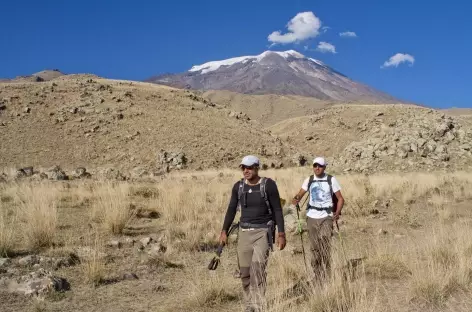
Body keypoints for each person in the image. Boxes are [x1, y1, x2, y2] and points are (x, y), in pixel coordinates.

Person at [220, 155, 286, 312]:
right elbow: (231, 209)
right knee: (245, 273)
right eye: (243, 167)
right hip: (244, 233)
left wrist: (281, 233)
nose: (246, 170)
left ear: (257, 167)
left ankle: (257, 304)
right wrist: (224, 231)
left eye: (249, 167)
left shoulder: (268, 185)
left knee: (258, 270)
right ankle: (250, 303)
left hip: (263, 232)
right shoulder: (238, 187)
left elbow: (277, 209)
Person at [291, 156, 344, 281]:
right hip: (311, 217)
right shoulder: (309, 180)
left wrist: (337, 213)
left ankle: (327, 273)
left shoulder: (331, 179)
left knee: (324, 241)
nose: (317, 168)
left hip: (327, 216)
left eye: (320, 166)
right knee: (314, 247)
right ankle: (317, 275)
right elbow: (300, 193)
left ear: (324, 167)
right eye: (315, 165)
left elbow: (341, 198)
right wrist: (296, 199)